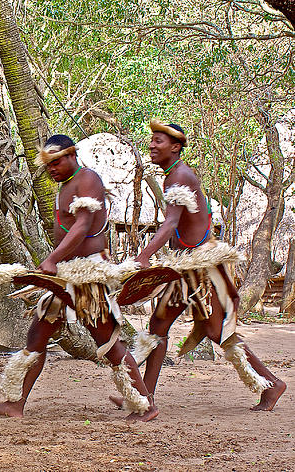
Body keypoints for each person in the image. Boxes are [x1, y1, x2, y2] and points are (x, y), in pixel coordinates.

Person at [0, 135, 158, 421]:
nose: (51, 169)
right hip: (67, 275)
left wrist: (52, 259)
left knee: (107, 342)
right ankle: (15, 403)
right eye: (48, 165)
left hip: (88, 273)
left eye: (56, 162)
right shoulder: (64, 187)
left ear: (71, 156)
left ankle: (146, 405)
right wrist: (57, 262)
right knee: (36, 337)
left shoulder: (87, 178)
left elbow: (82, 226)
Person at [122, 120, 286, 411]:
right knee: (158, 326)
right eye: (152, 140)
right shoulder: (172, 175)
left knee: (216, 331)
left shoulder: (180, 176)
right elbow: (175, 226)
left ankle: (271, 384)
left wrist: (144, 256)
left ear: (175, 147)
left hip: (201, 267)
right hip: (185, 266)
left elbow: (171, 223)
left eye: (158, 141)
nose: (151, 145)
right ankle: (144, 396)